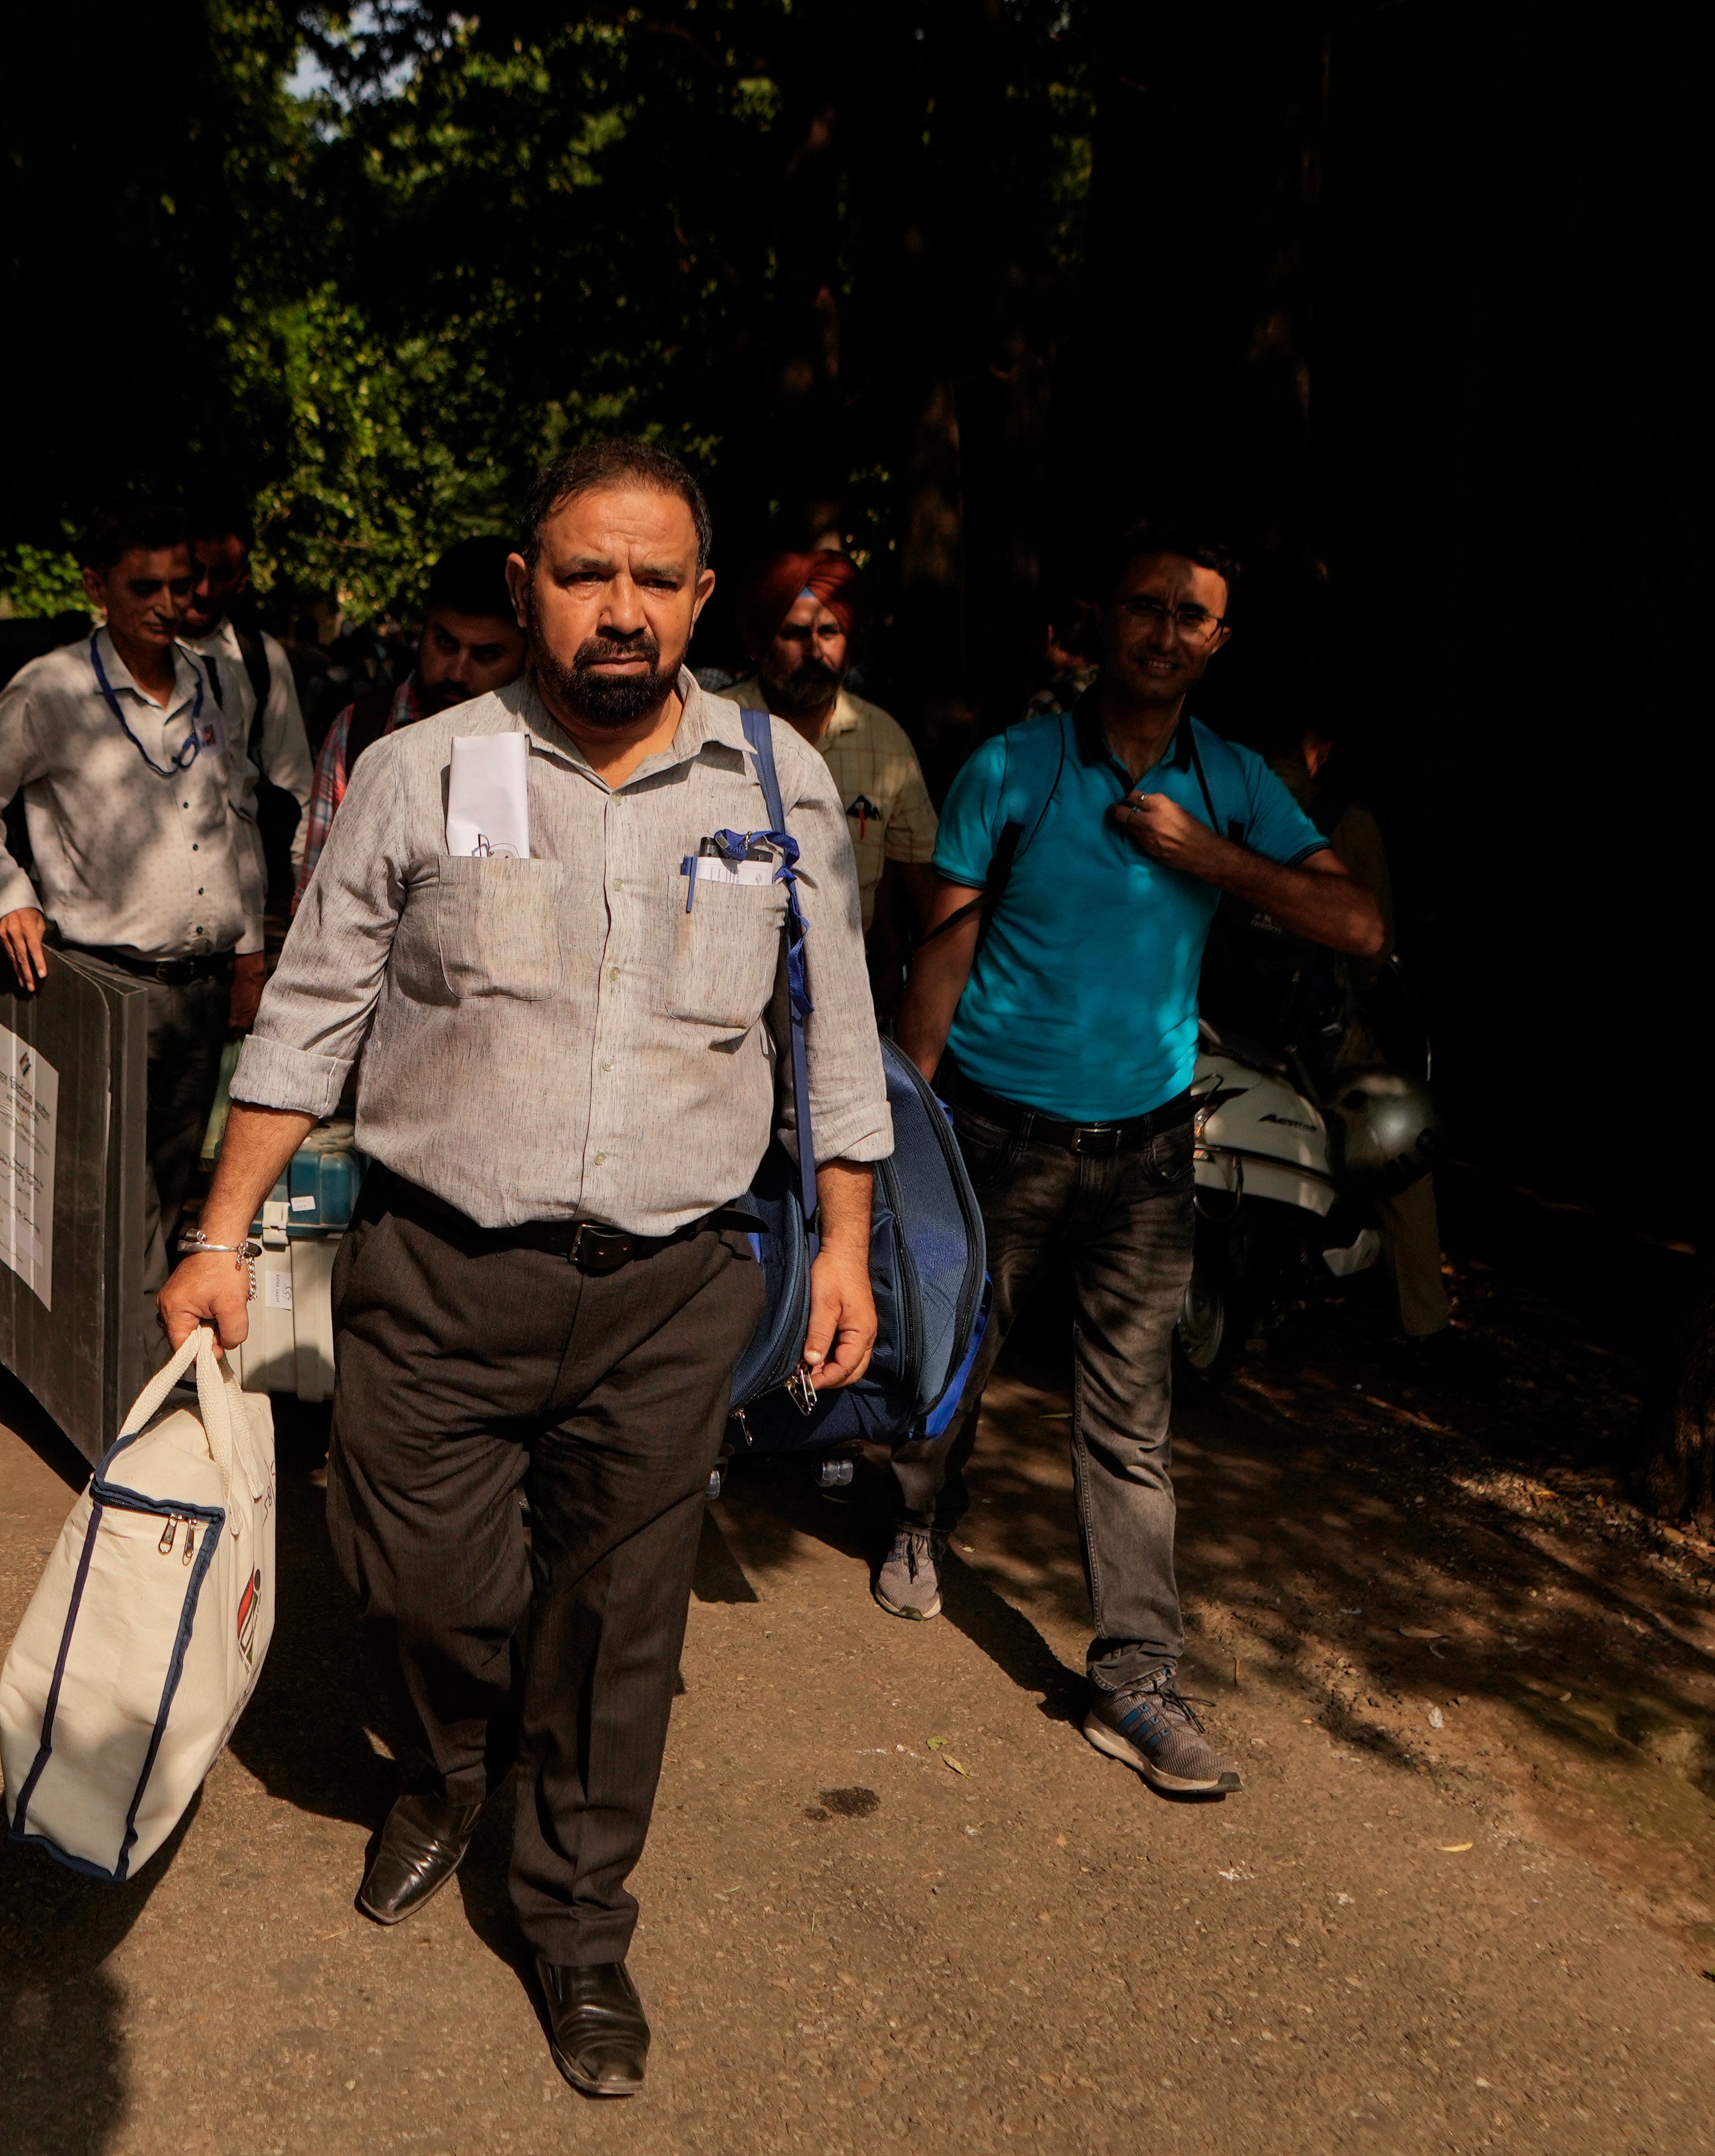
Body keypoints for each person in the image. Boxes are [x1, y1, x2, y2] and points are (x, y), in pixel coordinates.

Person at [160, 441, 892, 2099]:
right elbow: (312, 1019)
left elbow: (837, 1042)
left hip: (668, 1290)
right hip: (436, 1272)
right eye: (584, 575)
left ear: (703, 598)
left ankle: (576, 1917)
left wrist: (845, 1247)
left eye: (654, 578)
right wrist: (218, 1239)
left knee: (622, 1624)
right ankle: (457, 1759)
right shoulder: (420, 773)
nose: (620, 610)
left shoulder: (779, 791)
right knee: (414, 1577)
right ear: (524, 589)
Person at [891, 529, 1384, 1797]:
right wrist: (904, 1115)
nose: (1168, 632)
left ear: (1220, 643)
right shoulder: (1014, 767)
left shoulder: (1231, 786)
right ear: (1101, 623)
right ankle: (913, 1511)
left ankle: (1135, 1680)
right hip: (999, 1131)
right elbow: (943, 950)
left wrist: (1207, 857)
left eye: (1195, 617)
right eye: (1148, 608)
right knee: (960, 1350)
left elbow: (1358, 921)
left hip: (1153, 1151)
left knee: (1131, 1422)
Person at [0, 510, 305, 1338]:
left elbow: (236, 818)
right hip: (102, 985)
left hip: (201, 986)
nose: (168, 604)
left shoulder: (215, 680)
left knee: (172, 1188)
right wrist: (8, 891)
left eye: (181, 586)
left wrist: (250, 953)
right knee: (100, 1191)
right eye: (145, 587)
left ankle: (140, 1355)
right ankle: (107, 1370)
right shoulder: (50, 689)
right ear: (96, 589)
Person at [1254, 718, 1452, 1353]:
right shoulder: (1344, 819)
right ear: (1322, 750)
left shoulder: (1221, 796)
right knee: (1399, 1136)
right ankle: (1425, 1322)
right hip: (1308, 1028)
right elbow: (1374, 948)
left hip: (1216, 1009)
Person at [733, 548, 938, 1008]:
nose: (815, 650)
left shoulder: (885, 743)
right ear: (761, 641)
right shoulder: (716, 727)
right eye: (794, 633)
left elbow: (924, 898)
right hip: (732, 989)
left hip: (846, 997)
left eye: (830, 632)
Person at [290, 534, 526, 912]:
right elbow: (317, 900)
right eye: (446, 643)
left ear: (527, 653)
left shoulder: (543, 747)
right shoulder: (360, 731)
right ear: (425, 628)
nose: (457, 672)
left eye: (487, 655)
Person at [184, 510, 319, 965]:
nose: (202, 590)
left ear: (241, 579)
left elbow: (293, 789)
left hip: (239, 919)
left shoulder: (258, 659)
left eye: (219, 575)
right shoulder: (118, 661)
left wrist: (296, 916)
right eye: (192, 571)